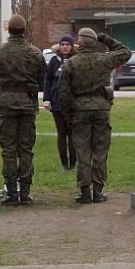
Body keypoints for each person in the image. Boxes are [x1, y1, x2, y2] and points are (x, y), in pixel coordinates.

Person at [58, 28, 131, 204]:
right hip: (101, 109)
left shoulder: (71, 63)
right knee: (100, 151)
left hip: (79, 110)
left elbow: (64, 94)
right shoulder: (105, 59)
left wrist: (69, 118)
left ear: (79, 42)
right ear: (94, 42)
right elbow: (125, 52)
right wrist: (105, 38)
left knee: (83, 152)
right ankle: (98, 190)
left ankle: (84, 191)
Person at [0, 13, 43, 206]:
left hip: (7, 103)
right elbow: (40, 77)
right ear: (24, 30)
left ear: (8, 30)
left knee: (9, 150)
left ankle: (11, 191)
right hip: (27, 103)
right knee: (26, 149)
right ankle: (25, 191)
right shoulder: (35, 53)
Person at [42, 34, 77, 171]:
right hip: (57, 102)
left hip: (72, 103)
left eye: (67, 44)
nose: (65, 47)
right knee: (61, 133)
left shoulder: (76, 60)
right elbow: (48, 81)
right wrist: (47, 99)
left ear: (72, 46)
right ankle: (64, 163)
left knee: (72, 133)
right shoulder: (54, 61)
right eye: (62, 44)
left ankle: (73, 163)